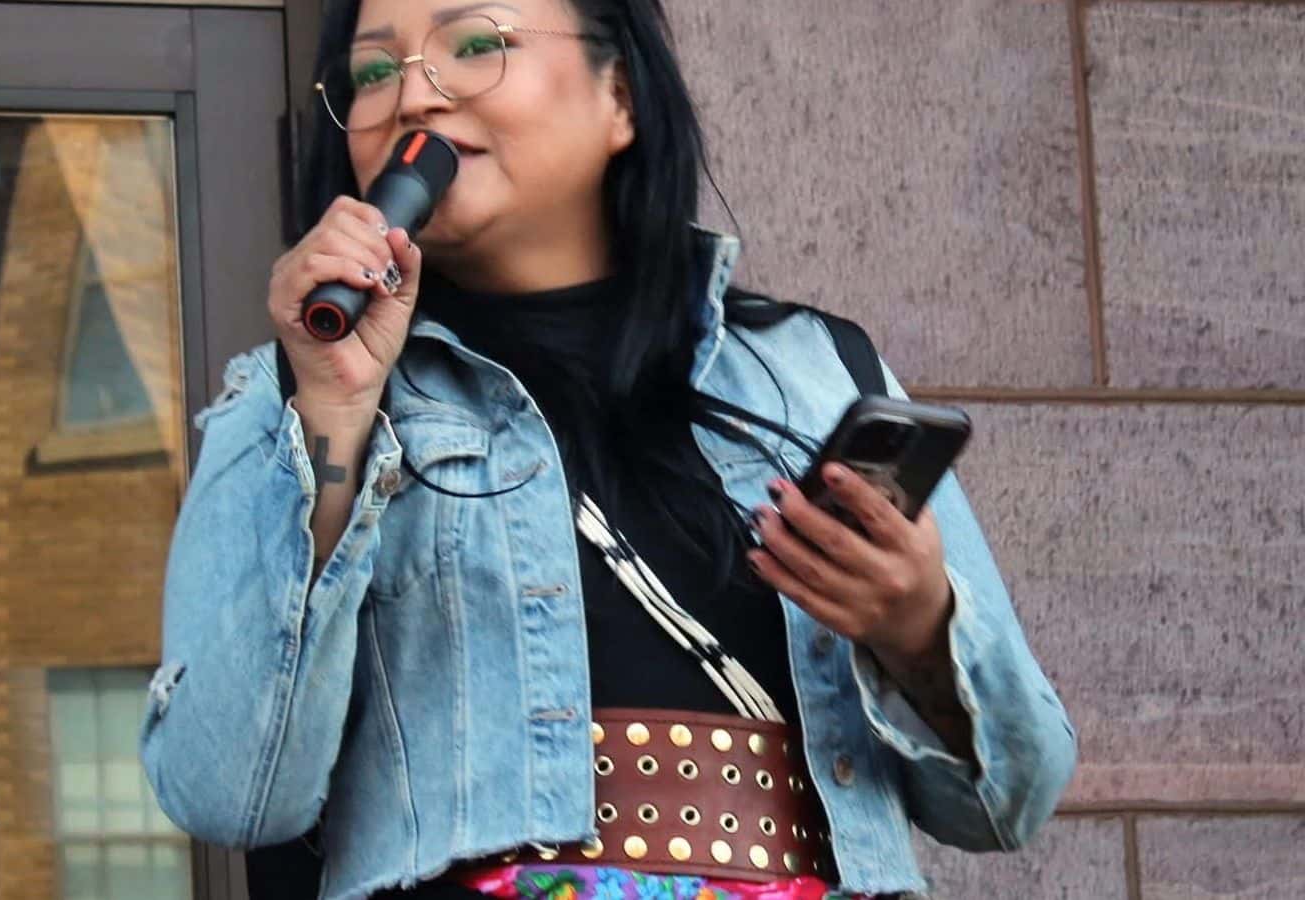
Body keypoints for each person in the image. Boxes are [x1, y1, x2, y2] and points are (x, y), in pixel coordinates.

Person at [140, 1, 1077, 898]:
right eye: (374, 70)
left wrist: (916, 629)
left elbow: (1011, 801)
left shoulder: (814, 370)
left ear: (619, 95)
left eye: (472, 45)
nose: (414, 95)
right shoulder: (288, 398)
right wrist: (333, 415)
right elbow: (232, 791)